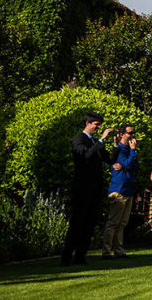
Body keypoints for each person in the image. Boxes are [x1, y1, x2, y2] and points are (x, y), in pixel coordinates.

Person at [62, 113, 114, 266]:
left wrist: (117, 145)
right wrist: (101, 140)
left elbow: (109, 159)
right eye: (96, 124)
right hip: (83, 187)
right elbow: (86, 154)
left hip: (95, 188)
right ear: (87, 123)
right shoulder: (79, 139)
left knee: (90, 223)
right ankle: (66, 257)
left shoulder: (94, 141)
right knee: (78, 222)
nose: (98, 128)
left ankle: (80, 256)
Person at [102, 124, 139, 260]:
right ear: (122, 134)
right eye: (130, 133)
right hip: (118, 189)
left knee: (122, 223)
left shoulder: (129, 150)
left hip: (127, 189)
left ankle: (118, 250)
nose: (132, 135)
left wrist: (128, 162)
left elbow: (135, 166)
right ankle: (106, 251)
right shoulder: (119, 150)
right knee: (113, 222)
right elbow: (129, 164)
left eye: (133, 133)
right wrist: (132, 154)